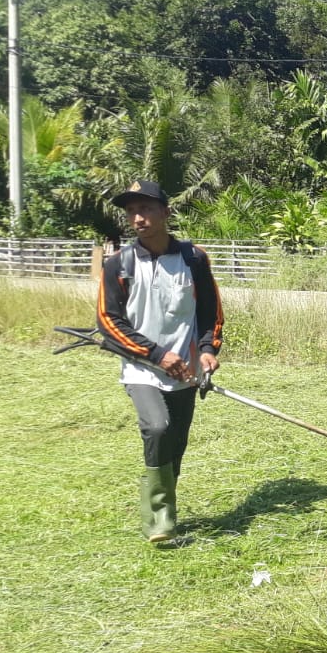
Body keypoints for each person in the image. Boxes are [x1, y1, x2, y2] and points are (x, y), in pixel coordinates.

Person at [97, 180, 224, 545]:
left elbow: (209, 310)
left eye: (147, 209)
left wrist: (207, 349)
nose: (138, 218)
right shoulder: (119, 265)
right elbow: (108, 322)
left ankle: (167, 508)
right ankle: (158, 519)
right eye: (132, 211)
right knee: (157, 427)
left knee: (176, 443)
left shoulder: (193, 258)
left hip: (186, 369)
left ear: (166, 213)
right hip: (142, 367)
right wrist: (156, 355)